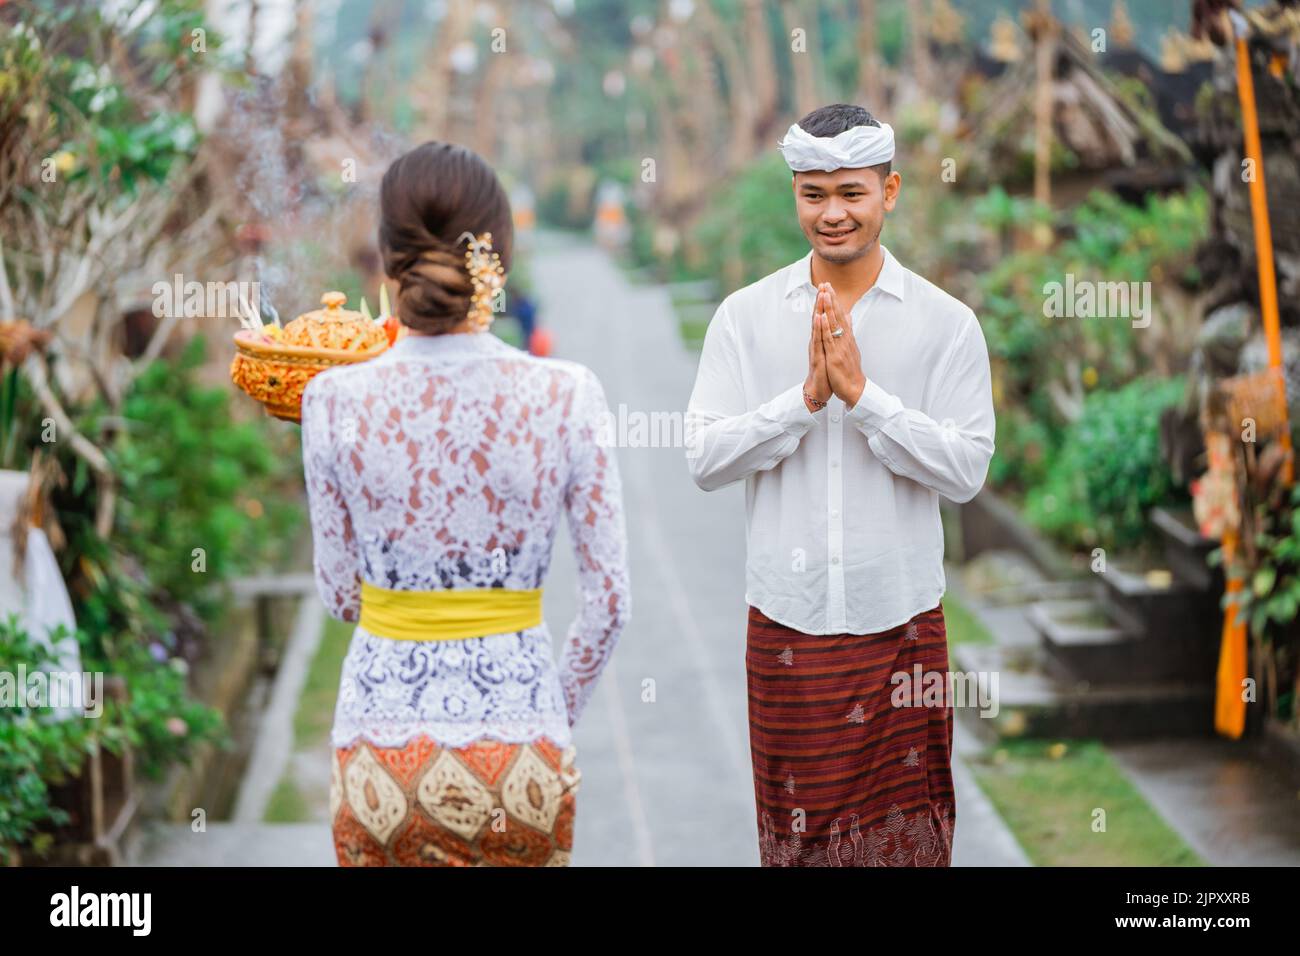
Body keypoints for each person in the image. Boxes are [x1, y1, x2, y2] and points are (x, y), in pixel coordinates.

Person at [301, 141, 630, 866]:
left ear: (387, 256)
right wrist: (547, 706)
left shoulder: (329, 399)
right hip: (521, 749)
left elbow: (340, 598)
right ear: (500, 255)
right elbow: (609, 603)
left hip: (379, 755)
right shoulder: (568, 393)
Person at [685, 104, 995, 867]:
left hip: (902, 630)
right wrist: (805, 402)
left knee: (908, 848)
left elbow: (966, 471)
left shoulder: (946, 324)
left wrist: (866, 398)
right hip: (786, 633)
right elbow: (705, 460)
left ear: (890, 192)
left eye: (851, 193)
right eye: (813, 194)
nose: (832, 213)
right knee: (796, 851)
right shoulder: (744, 318)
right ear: (795, 194)